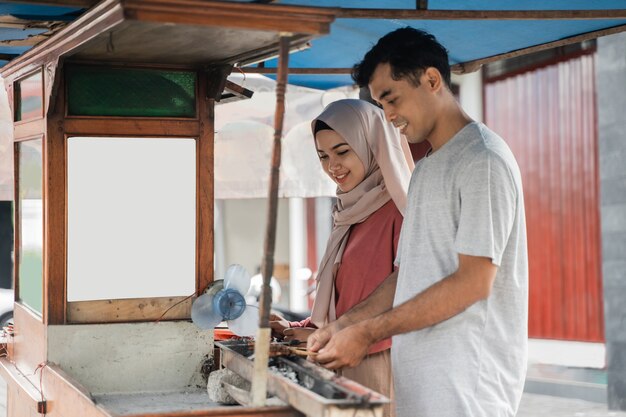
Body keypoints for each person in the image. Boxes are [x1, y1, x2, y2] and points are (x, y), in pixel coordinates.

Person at [307, 28, 529, 417]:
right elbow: (406, 275)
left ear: (431, 80)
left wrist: (369, 332)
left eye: (391, 99)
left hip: (467, 393)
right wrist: (344, 325)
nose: (388, 116)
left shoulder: (483, 160)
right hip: (423, 392)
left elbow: (473, 282)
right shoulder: (425, 169)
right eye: (380, 103)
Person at [271, 99, 414, 417]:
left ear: (370, 144)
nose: (332, 165)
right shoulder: (348, 212)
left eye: (342, 151)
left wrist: (334, 337)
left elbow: (408, 294)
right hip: (338, 357)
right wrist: (295, 327)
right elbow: (345, 299)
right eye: (323, 156)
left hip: (377, 361)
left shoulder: (401, 210)